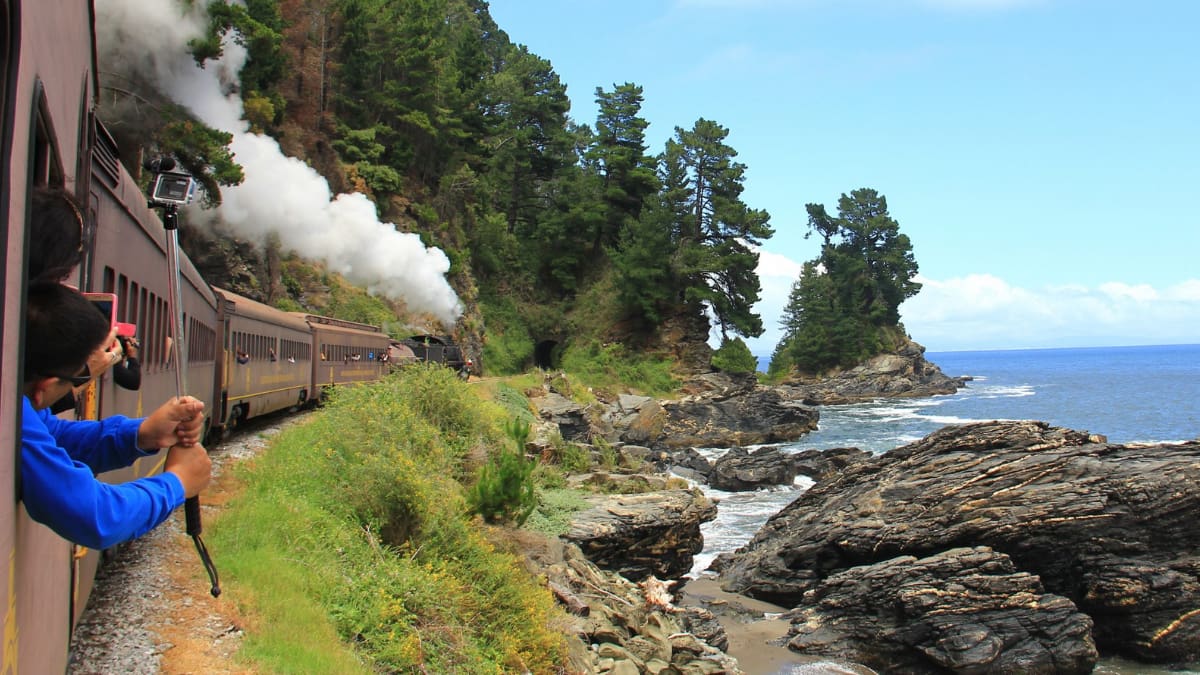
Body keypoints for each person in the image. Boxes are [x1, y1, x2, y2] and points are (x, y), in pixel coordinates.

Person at [21, 282, 212, 550]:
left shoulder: (22, 409)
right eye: (79, 379)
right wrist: (177, 482)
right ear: (43, 390)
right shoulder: (14, 420)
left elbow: (54, 435)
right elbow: (97, 516)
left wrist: (143, 433)